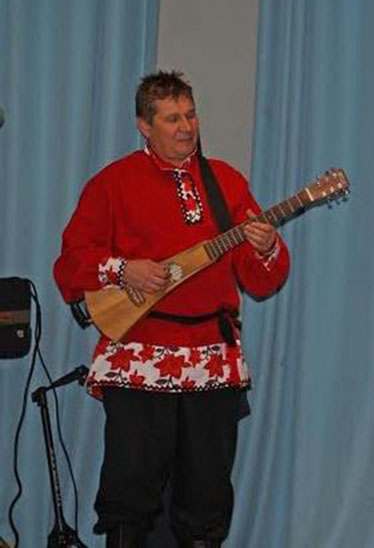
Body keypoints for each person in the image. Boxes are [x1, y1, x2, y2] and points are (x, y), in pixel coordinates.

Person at [54, 70, 290, 547]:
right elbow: (70, 266)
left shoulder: (225, 181)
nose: (186, 126)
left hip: (211, 355)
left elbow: (260, 279)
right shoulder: (113, 183)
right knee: (129, 486)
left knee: (206, 492)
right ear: (144, 126)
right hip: (140, 353)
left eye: (190, 114)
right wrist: (123, 270)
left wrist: (265, 246)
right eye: (171, 118)